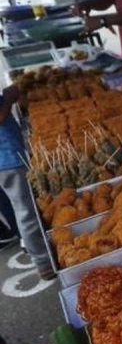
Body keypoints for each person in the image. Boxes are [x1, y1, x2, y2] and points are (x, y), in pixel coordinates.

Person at [0, 85, 54, 280]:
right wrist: (9, 96)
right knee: (26, 211)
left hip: (6, 157)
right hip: (7, 158)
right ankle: (44, 262)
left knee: (18, 208)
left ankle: (39, 254)